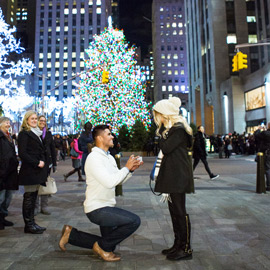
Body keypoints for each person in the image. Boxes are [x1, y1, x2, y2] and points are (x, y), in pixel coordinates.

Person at [59, 125, 142, 262]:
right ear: (99, 138)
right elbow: (109, 182)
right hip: (97, 208)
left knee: (110, 245)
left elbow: (117, 180)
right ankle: (101, 247)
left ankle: (71, 235)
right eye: (109, 134)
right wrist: (126, 168)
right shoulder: (94, 158)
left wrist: (130, 170)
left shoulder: (108, 157)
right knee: (134, 221)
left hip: (107, 206)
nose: (112, 136)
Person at [152, 97, 194, 261]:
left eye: (158, 115)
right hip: (172, 175)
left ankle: (186, 248)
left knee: (180, 211)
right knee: (174, 212)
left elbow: (166, 148)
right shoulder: (172, 130)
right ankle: (177, 244)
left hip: (178, 176)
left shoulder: (178, 129)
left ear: (165, 114)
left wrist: (162, 132)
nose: (157, 119)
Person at [18, 110, 47, 234]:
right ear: (27, 120)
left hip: (36, 171)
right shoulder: (25, 134)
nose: (35, 121)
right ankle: (28, 225)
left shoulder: (37, 133)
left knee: (33, 197)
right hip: (30, 170)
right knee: (29, 198)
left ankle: (32, 222)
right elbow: (23, 153)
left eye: (36, 119)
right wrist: (36, 162)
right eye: (32, 119)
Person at [35, 115, 57, 215]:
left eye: (44, 121)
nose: (42, 122)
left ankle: (44, 206)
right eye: (40, 120)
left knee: (45, 184)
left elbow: (52, 148)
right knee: (35, 185)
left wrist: (54, 163)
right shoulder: (33, 133)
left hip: (47, 162)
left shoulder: (48, 133)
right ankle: (35, 207)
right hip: (37, 162)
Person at [0, 117, 19, 230]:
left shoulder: (9, 137)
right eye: (6, 123)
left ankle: (3, 217)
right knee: (1, 197)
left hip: (10, 172)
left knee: (8, 197)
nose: (8, 124)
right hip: (2, 172)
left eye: (9, 123)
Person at [254, 122, 270, 191]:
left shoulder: (266, 133)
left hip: (267, 153)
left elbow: (256, 135)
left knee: (268, 169)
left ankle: (269, 185)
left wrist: (259, 129)